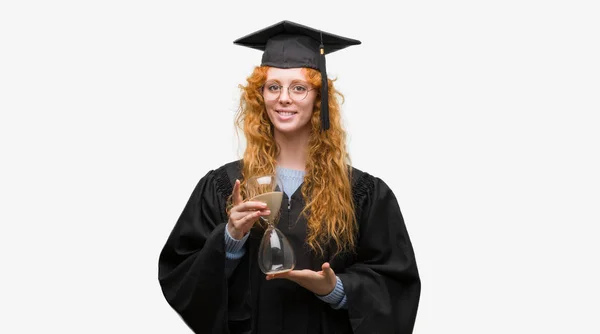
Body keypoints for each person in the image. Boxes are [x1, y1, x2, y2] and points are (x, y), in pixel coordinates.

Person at [158, 20, 421, 334]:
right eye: (273, 87)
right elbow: (180, 273)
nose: (284, 98)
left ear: (318, 98)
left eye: (299, 87)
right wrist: (229, 238)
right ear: (261, 97)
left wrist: (335, 289)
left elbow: (396, 281)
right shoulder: (225, 185)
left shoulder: (362, 193)